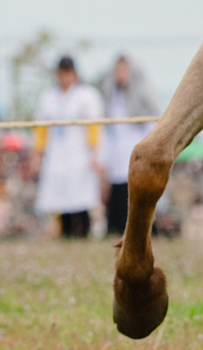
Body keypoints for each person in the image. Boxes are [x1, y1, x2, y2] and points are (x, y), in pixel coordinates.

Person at [33, 56, 103, 238]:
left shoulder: (87, 95)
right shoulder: (47, 97)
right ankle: (66, 234)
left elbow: (94, 127)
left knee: (81, 197)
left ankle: (82, 234)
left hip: (80, 154)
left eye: (68, 73)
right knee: (59, 198)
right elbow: (40, 130)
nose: (65, 78)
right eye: (61, 73)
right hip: (56, 154)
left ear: (75, 74)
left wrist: (95, 153)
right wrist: (37, 155)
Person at [96, 54, 158, 240]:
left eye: (123, 70)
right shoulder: (111, 95)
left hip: (136, 146)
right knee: (118, 193)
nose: (120, 74)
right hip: (117, 151)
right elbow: (108, 129)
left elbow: (151, 119)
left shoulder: (141, 92)